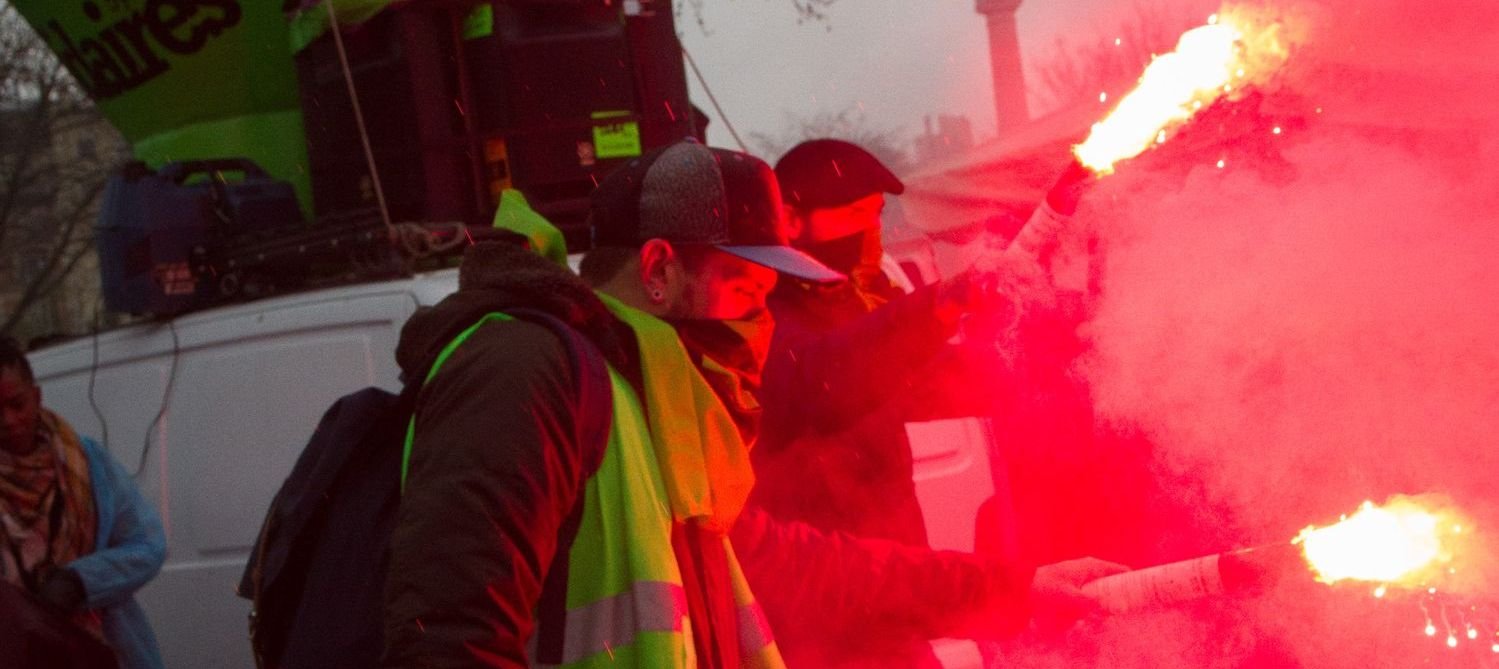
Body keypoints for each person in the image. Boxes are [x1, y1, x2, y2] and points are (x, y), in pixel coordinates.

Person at [382, 140, 1123, 668]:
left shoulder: (661, 409)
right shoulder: (523, 369)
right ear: (658, 269)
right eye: (746, 290)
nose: (760, 326)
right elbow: (446, 639)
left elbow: (804, 565)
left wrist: (1014, 588)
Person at [0, 337, 167, 669]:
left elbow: (148, 545)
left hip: (107, 652)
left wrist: (78, 581)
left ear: (37, 397)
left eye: (17, 404)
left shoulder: (88, 463)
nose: (8, 421)